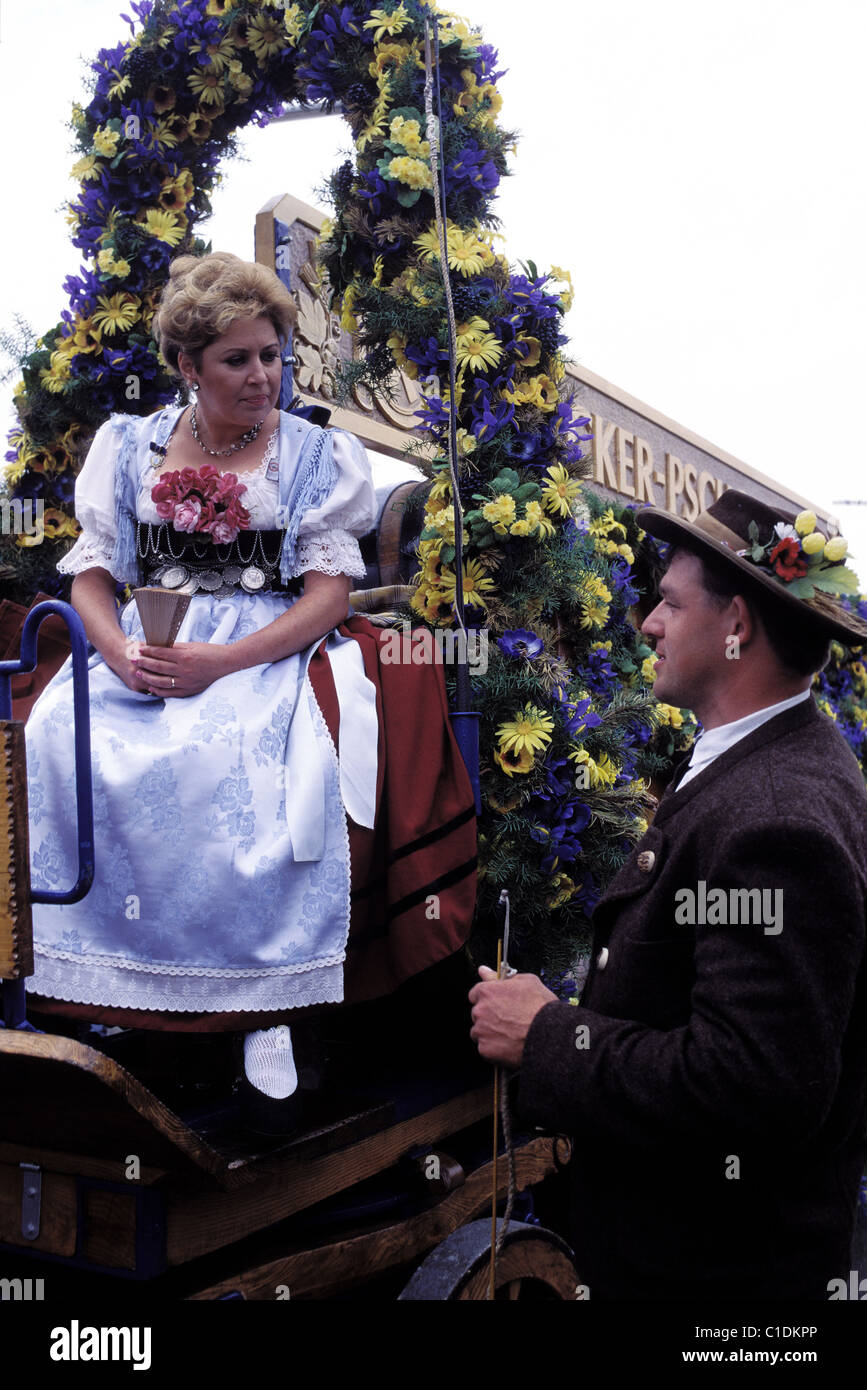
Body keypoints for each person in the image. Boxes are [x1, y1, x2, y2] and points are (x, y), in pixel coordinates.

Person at [23, 251, 475, 1109]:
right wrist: (118, 653)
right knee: (58, 732)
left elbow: (329, 597)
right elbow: (90, 574)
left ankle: (265, 997)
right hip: (146, 647)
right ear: (189, 366)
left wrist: (221, 663)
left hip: (267, 649)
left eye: (272, 355)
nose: (262, 376)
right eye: (238, 359)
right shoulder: (127, 446)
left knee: (255, 755)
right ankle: (86, 980)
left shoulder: (313, 454)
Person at [469, 487, 867, 1300]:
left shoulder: (775, 817)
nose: (647, 622)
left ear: (736, 627)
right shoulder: (769, 767)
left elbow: (749, 1084)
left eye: (670, 602)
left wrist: (549, 1035)